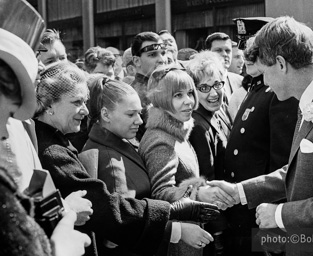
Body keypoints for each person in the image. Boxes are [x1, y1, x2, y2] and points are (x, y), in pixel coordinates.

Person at [209, 16, 313, 255]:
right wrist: (241, 192)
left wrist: (279, 215)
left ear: (281, 64)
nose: (265, 80)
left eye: (265, 70)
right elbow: (300, 170)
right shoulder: (312, 100)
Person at [34, 61, 220, 256]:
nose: (86, 110)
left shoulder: (57, 143)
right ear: (49, 104)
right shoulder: (53, 151)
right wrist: (174, 220)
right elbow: (108, 210)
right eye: (76, 102)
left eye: (84, 101)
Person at [79, 76, 215, 255]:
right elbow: (125, 226)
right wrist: (179, 231)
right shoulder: (110, 161)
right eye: (130, 114)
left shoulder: (119, 143)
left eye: (139, 113)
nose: (140, 121)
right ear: (105, 114)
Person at [0, 16, 90, 255]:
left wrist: (60, 209)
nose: (42, 67)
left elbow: (34, 185)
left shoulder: (22, 119)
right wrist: (64, 216)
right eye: (38, 56)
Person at [139, 65, 236, 256]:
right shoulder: (160, 140)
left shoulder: (176, 131)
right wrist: (200, 194)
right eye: (178, 95)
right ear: (161, 99)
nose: (189, 101)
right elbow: (161, 194)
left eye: (190, 93)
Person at [223, 17, 298, 256]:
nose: (245, 53)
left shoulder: (276, 92)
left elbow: (283, 161)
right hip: (245, 205)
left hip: (261, 209)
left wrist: (274, 222)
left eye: (252, 47)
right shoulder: (255, 87)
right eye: (242, 46)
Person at [187, 51, 232, 256]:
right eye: (204, 88)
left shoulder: (218, 112)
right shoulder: (197, 125)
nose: (213, 93)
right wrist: (219, 229)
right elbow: (207, 179)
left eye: (217, 85)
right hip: (217, 223)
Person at [130, 31, 167, 142]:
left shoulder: (164, 86)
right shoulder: (133, 96)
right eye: (152, 54)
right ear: (136, 61)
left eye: (163, 53)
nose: (161, 59)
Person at [205, 32, 243, 105]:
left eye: (228, 51)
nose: (225, 54)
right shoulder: (199, 81)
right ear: (207, 52)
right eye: (218, 50)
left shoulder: (240, 81)